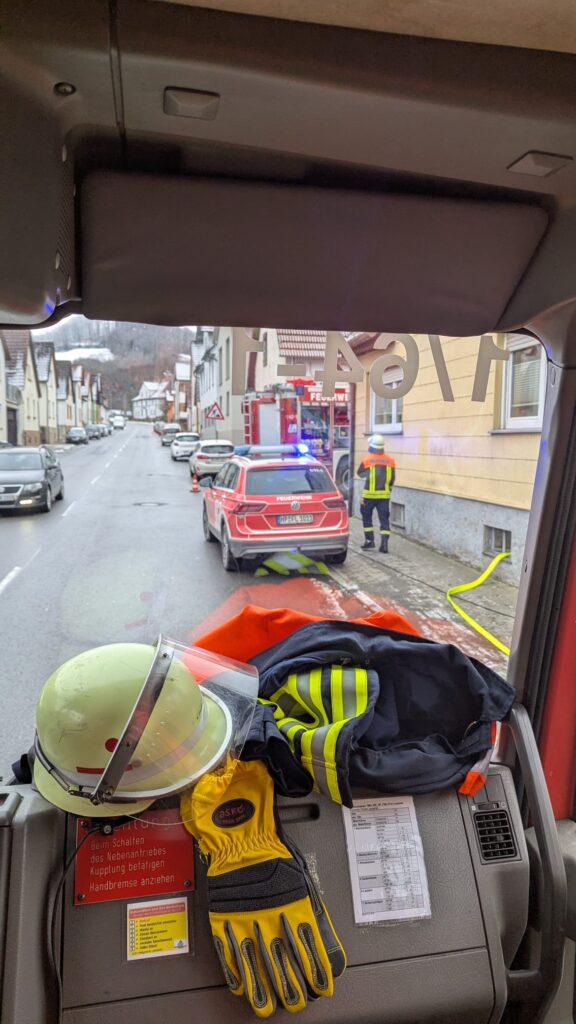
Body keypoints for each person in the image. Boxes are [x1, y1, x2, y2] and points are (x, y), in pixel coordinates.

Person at [357, 433, 396, 553]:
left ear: (371, 446)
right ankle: (384, 544)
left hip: (369, 496)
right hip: (384, 496)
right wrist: (388, 490)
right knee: (384, 519)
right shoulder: (390, 461)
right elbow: (392, 479)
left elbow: (359, 473)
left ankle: (369, 541)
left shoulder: (367, 460)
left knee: (366, 517)